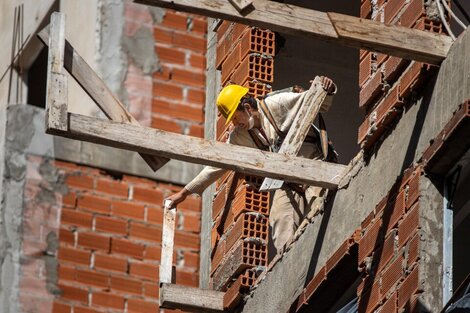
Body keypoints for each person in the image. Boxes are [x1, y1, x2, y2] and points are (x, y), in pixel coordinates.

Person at [166, 76, 337, 253]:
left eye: (234, 117)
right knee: (280, 222)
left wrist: (328, 88)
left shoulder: (277, 104)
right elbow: (216, 165)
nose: (234, 123)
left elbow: (319, 102)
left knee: (318, 209)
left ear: (247, 108)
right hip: (289, 184)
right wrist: (184, 193)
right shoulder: (240, 136)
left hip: (314, 169)